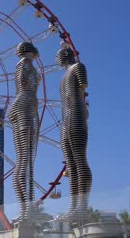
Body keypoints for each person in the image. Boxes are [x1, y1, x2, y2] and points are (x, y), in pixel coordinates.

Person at [56, 47, 92, 225]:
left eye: (59, 56)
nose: (57, 60)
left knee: (79, 160)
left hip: (76, 114)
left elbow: (82, 92)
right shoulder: (62, 78)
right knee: (71, 166)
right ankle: (73, 207)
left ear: (65, 56)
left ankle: (82, 206)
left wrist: (85, 112)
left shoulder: (79, 67)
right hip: (65, 119)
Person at [9, 42, 40, 221]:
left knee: (22, 162)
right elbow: (25, 84)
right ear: (30, 51)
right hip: (25, 104)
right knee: (27, 163)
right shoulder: (26, 64)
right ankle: (26, 212)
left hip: (19, 105)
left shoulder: (21, 65)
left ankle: (24, 211)